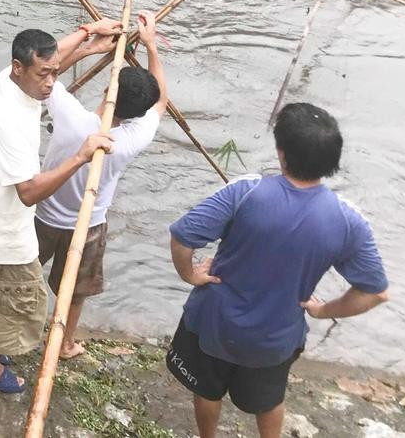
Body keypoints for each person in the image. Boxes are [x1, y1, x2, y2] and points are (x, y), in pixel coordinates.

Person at [166, 103, 389, 438]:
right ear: (332, 163)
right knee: (269, 399)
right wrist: (323, 310)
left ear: (281, 153)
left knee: (207, 389)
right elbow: (375, 292)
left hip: (214, 323)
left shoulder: (246, 192)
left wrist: (191, 275)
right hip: (276, 338)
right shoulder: (348, 221)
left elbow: (182, 238)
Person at [0, 21, 121, 394]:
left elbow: (52, 56)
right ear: (18, 67)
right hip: (4, 234)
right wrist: (80, 156)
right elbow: (28, 192)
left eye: (54, 74)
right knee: (24, 305)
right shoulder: (10, 123)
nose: (50, 83)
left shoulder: (5, 83)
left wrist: (90, 36)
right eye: (43, 75)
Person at [35, 11, 166, 360]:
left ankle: (5, 326)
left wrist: (91, 45)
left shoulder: (72, 117)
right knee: (75, 290)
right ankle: (64, 342)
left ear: (108, 89)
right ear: (139, 112)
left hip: (42, 213)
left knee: (21, 271)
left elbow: (47, 72)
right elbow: (162, 101)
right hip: (89, 223)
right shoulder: (132, 138)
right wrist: (151, 46)